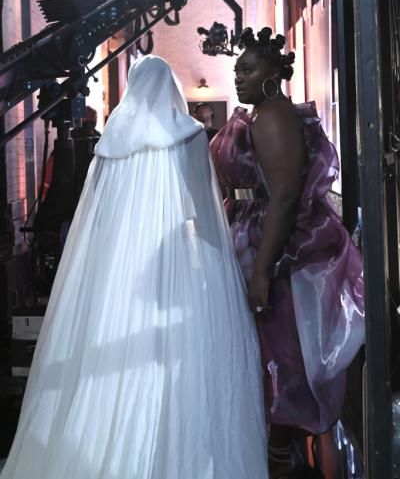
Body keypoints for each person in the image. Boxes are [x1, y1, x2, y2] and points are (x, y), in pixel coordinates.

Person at [1, 55, 268, 479]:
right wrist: (222, 265)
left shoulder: (111, 141)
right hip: (178, 264)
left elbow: (98, 217)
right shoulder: (189, 136)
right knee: (187, 364)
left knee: (114, 362)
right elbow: (202, 211)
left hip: (122, 269)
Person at [210, 27, 365, 479]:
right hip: (253, 236)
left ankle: (280, 454)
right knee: (268, 347)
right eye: (237, 69)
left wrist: (261, 271)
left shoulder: (273, 116)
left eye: (249, 69)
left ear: (274, 72)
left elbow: (282, 196)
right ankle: (276, 451)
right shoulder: (262, 113)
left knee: (278, 347)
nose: (239, 77)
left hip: (269, 245)